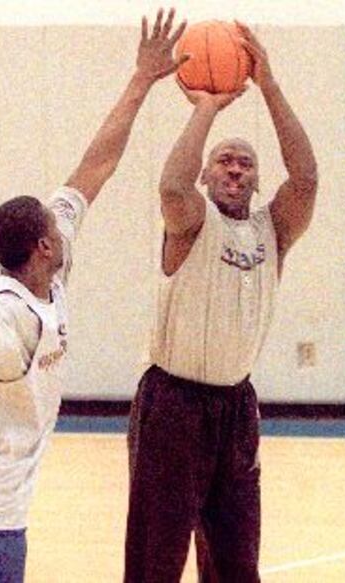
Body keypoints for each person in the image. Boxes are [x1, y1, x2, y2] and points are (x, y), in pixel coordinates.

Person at [0, 10, 188, 582]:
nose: (66, 231)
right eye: (57, 233)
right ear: (41, 246)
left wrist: (141, 80)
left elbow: (95, 166)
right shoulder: (5, 309)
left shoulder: (48, 270)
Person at [124, 21, 318, 583]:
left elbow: (305, 176)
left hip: (236, 408)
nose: (235, 168)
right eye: (224, 161)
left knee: (237, 562)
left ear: (257, 181)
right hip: (171, 404)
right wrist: (206, 108)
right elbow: (171, 189)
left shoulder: (272, 231)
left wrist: (271, 85)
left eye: (245, 163)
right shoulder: (190, 221)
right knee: (156, 560)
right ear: (207, 175)